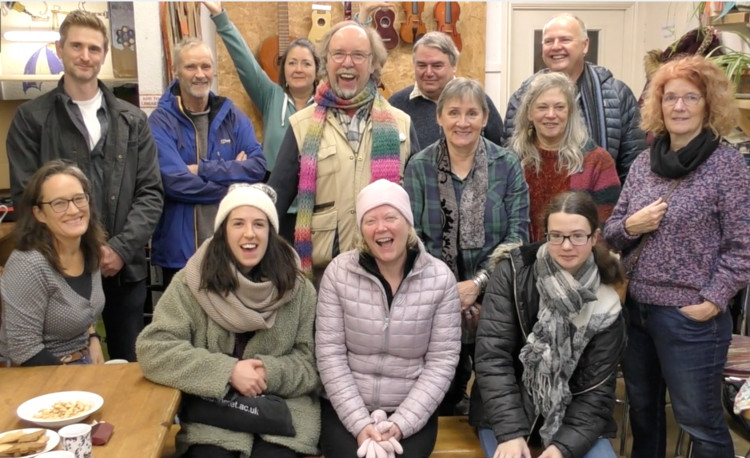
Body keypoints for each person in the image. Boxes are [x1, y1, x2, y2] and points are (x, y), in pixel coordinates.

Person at [603, 55, 750, 458]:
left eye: (691, 98)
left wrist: (713, 301)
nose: (679, 107)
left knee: (699, 422)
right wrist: (634, 225)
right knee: (644, 415)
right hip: (637, 311)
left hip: (691, 319)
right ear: (658, 105)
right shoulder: (642, 164)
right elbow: (613, 232)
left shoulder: (728, 166)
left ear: (709, 105)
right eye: (670, 98)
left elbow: (743, 245)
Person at [5, 10, 163, 362]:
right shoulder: (31, 119)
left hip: (124, 268)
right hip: (58, 274)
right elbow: (27, 198)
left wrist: (119, 249)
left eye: (93, 48)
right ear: (59, 49)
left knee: (130, 366)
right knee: (64, 366)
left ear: (104, 54)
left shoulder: (132, 120)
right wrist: (78, 254)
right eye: (76, 46)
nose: (85, 56)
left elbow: (150, 192)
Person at [136, 183, 320, 458]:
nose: (249, 233)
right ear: (223, 230)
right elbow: (154, 348)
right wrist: (228, 371)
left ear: (271, 231)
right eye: (238, 223)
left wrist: (267, 373)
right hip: (215, 414)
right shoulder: (193, 282)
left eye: (259, 224)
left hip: (283, 413)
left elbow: (311, 362)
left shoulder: (297, 288)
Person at [403, 77, 530, 416]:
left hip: (497, 296)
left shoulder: (507, 165)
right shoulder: (419, 167)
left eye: (472, 113)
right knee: (438, 401)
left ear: (485, 118)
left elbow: (517, 236)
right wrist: (449, 289)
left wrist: (477, 285)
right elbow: (411, 236)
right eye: (454, 112)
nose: (463, 122)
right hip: (432, 296)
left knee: (492, 401)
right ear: (439, 117)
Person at [316, 179, 461, 457]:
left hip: (410, 408)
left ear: (407, 223)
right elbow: (329, 353)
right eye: (370, 220)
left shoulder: (440, 279)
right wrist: (359, 423)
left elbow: (441, 362)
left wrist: (401, 423)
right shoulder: (338, 273)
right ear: (361, 230)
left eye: (391, 217)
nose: (381, 228)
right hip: (347, 407)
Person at [475, 191, 626, 458]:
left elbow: (597, 389)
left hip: (574, 420)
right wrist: (511, 433)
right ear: (545, 234)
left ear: (594, 237)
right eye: (556, 235)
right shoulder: (512, 273)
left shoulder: (606, 302)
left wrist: (563, 448)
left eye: (578, 236)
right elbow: (492, 358)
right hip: (507, 413)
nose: (566, 245)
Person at [269, 20, 419, 281]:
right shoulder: (301, 127)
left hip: (390, 276)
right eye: (338, 54)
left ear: (373, 63)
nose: (347, 63)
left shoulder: (401, 123)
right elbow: (276, 202)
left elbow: (419, 204)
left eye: (358, 55)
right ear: (325, 62)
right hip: (321, 277)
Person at [148, 37, 266, 289]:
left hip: (231, 249)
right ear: (176, 71)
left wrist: (203, 169)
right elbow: (174, 183)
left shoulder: (232, 116)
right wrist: (235, 185)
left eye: (206, 66)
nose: (200, 74)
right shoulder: (160, 122)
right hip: (180, 254)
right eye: (191, 67)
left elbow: (257, 167)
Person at [503, 14, 646, 182]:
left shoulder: (617, 95)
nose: (556, 47)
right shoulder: (523, 97)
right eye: (549, 41)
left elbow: (633, 167)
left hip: (600, 202)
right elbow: (509, 161)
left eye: (565, 40)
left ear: (585, 46)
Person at [0, 161, 107, 366]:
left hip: (80, 361)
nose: (74, 210)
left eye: (78, 198)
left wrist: (92, 337)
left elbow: (83, 310)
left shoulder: (89, 249)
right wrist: (77, 382)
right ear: (39, 214)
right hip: (38, 373)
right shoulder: (28, 264)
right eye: (59, 203)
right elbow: (23, 349)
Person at [510, 72, 620, 242]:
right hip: (523, 262)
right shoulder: (511, 160)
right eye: (542, 107)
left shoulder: (598, 161)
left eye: (559, 107)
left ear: (570, 113)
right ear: (529, 113)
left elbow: (604, 227)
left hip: (576, 261)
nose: (551, 114)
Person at [389, 31, 505, 148]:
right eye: (422, 65)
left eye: (437, 66)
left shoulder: (477, 100)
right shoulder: (396, 105)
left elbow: (499, 149)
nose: (428, 72)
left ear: (454, 66)